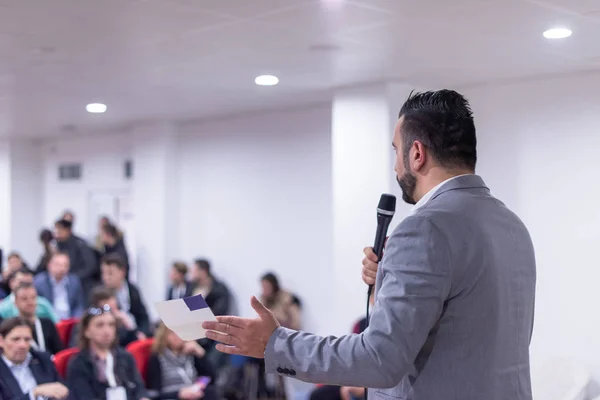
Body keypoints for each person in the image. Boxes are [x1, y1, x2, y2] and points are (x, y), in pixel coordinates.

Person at [202, 90, 537, 399]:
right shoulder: (511, 225)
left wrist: (276, 344)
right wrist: (388, 279)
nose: (395, 165)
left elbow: (380, 359)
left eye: (396, 151)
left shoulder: (424, 228)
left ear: (417, 153)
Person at [66, 305, 149, 400]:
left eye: (111, 325)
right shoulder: (78, 364)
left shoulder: (125, 357)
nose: (107, 331)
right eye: (100, 325)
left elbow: (139, 388)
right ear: (87, 331)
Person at [0, 317, 69, 400]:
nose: (23, 345)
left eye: (27, 339)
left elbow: (63, 391)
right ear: (1, 341)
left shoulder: (43, 360)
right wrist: (33, 393)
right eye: (16, 339)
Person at [147, 322, 217, 400]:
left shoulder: (191, 353)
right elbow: (156, 393)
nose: (176, 336)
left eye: (179, 332)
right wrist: (179, 394)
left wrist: (201, 354)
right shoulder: (157, 357)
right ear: (164, 335)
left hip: (194, 393)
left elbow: (211, 377)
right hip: (173, 396)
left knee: (212, 392)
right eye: (172, 332)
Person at [100, 254, 151, 337]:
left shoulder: (132, 290)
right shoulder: (101, 294)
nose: (106, 277)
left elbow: (143, 316)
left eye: (110, 273)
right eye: (103, 273)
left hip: (135, 332)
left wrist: (143, 332)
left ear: (122, 272)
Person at [13, 283, 63, 355]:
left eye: (33, 298)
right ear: (15, 302)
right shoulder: (12, 328)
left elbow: (59, 352)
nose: (30, 302)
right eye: (24, 299)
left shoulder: (47, 323)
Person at [34, 251, 85, 320]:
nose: (62, 268)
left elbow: (79, 305)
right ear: (49, 265)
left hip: (70, 321)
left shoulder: (74, 281)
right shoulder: (39, 282)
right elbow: (39, 307)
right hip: (49, 320)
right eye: (57, 265)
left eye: (65, 265)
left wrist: (76, 319)